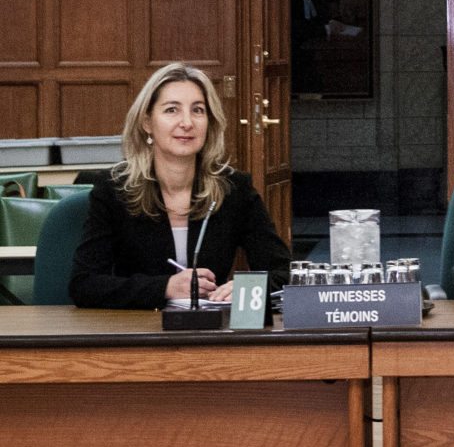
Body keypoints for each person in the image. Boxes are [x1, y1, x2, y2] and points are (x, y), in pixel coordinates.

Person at [70, 62, 290, 309]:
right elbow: (84, 284)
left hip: (212, 333)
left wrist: (249, 287)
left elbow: (285, 273)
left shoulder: (234, 189)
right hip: (138, 334)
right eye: (172, 110)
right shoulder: (114, 190)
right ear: (147, 122)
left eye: (198, 110)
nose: (187, 122)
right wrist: (165, 287)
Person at [291, 0, 355, 94]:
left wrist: (332, 22)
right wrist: (325, 28)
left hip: (318, 50)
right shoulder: (290, 0)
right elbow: (297, 27)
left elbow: (323, 17)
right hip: (297, 52)